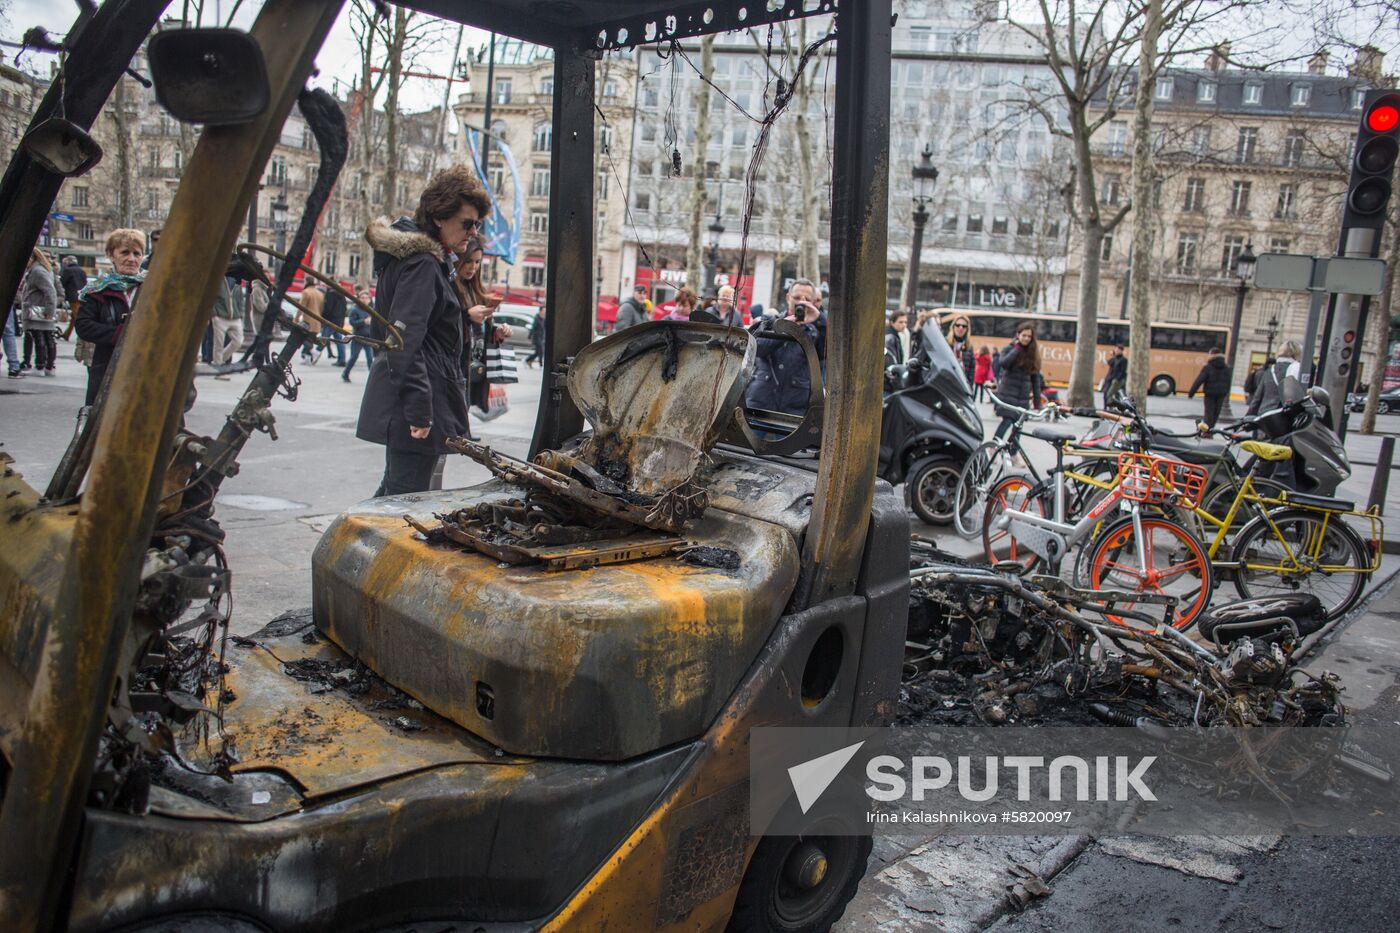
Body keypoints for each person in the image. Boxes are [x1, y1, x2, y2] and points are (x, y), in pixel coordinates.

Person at [357, 165, 491, 497]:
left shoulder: (423, 260)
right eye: (467, 223)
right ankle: (346, 549)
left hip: (419, 395)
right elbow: (403, 340)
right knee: (402, 501)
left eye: (477, 225)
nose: (472, 232)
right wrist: (420, 410)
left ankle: (347, 547)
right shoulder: (422, 264)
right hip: (417, 400)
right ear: (438, 217)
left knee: (396, 494)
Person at [75, 228, 145, 405]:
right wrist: (120, 334)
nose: (131, 259)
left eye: (137, 253)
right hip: (107, 367)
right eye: (125, 252)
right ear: (111, 255)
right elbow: (84, 326)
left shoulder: (154, 287)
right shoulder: (97, 291)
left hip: (145, 367)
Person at [744, 278, 826, 416]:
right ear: (788, 297)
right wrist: (783, 327)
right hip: (761, 399)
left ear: (813, 302)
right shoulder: (770, 320)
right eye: (797, 297)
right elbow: (757, 349)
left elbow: (827, 354)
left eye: (806, 299)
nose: (801, 301)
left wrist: (820, 320)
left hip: (796, 405)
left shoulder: (817, 329)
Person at [453, 237, 511, 416]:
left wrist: (498, 332)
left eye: (477, 261)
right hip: (456, 364)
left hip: (475, 363)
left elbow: (483, 330)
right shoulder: (449, 287)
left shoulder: (476, 290)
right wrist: (467, 316)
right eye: (468, 261)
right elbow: (442, 323)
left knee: (465, 407)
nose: (473, 267)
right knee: (456, 410)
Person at [991, 321, 1042, 440]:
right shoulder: (1010, 349)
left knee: (1018, 427)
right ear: (1018, 335)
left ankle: (1013, 453)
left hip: (1023, 398)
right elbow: (1004, 363)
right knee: (1007, 421)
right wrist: (1017, 348)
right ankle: (994, 447)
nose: (1026, 338)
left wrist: (1037, 402)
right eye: (1024, 335)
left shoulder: (1033, 354)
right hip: (1008, 394)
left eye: (1029, 336)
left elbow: (1036, 380)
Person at [21, 249, 59, 375]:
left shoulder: (37, 271)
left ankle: (40, 366)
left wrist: (50, 310)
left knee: (39, 338)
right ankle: (48, 367)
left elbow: (50, 291)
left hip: (38, 310)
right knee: (47, 338)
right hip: (42, 309)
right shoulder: (44, 269)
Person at [1247, 341, 1302, 416]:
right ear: (1296, 354)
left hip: (1265, 416)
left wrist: (1247, 417)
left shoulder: (1270, 371)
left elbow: (1257, 398)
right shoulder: (1296, 369)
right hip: (1284, 416)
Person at [1188, 346, 1231, 428]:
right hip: (1221, 394)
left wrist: (1192, 392)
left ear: (1212, 354)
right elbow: (1228, 382)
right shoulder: (1226, 368)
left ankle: (1207, 431)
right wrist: (1226, 392)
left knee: (1209, 412)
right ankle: (1211, 430)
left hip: (1210, 393)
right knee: (1216, 413)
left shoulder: (1208, 367)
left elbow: (1199, 380)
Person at [210, 275, 245, 372]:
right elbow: (211, 298)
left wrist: (240, 314)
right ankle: (218, 367)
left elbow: (241, 300)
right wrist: (214, 314)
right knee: (218, 344)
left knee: (238, 341)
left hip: (235, 318)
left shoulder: (237, 283)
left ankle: (219, 361)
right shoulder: (218, 281)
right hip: (220, 317)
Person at [342, 287, 375, 382]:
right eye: (363, 298)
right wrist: (363, 321)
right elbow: (352, 322)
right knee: (354, 356)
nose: (365, 300)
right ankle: (345, 373)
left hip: (368, 337)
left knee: (370, 358)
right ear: (359, 299)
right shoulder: (355, 309)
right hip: (358, 337)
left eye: (367, 298)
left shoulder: (371, 309)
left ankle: (372, 378)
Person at [321, 282, 349, 366]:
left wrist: (323, 318)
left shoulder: (330, 294)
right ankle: (342, 359)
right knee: (339, 341)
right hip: (339, 321)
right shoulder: (342, 296)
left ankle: (314, 354)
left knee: (323, 339)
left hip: (330, 321)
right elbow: (344, 310)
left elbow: (328, 308)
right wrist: (342, 321)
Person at [297, 281, 326, 362]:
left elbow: (301, 307)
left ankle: (313, 352)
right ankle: (306, 357)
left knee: (302, 338)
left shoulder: (306, 292)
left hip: (308, 320)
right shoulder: (320, 294)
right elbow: (321, 308)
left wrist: (296, 318)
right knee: (310, 339)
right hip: (317, 320)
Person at [59, 255, 86, 340]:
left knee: (77, 316)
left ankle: (84, 335)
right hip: (81, 295)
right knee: (74, 316)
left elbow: (62, 282)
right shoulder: (82, 270)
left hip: (73, 296)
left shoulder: (68, 270)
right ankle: (67, 334)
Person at [945, 313, 976, 385]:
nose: (960, 328)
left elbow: (971, 370)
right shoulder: (945, 343)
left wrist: (970, 388)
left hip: (962, 386)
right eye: (958, 325)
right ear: (953, 327)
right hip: (947, 383)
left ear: (967, 329)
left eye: (964, 326)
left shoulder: (969, 347)